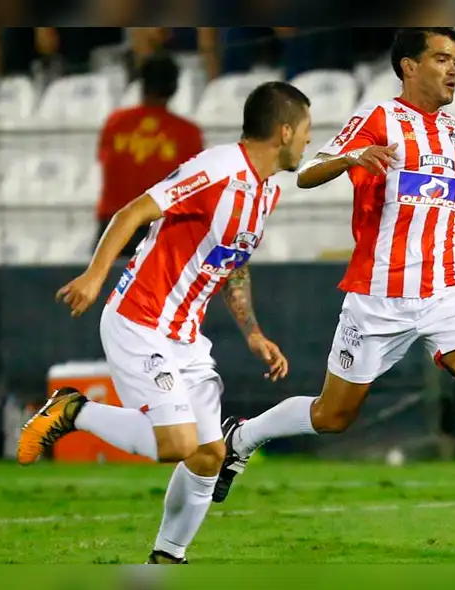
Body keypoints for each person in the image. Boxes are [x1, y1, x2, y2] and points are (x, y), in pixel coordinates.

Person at [212, 28, 455, 558]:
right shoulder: (378, 119)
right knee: (333, 416)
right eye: (441, 59)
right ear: (409, 66)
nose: (453, 69)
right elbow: (305, 174)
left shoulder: (454, 131)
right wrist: (353, 158)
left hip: (445, 290)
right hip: (378, 297)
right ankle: (242, 438)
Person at [16, 81, 313, 564]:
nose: (307, 142)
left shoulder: (264, 194)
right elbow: (133, 211)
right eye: (305, 131)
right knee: (177, 443)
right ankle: (73, 411)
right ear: (283, 131)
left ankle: (166, 558)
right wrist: (95, 275)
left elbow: (234, 262)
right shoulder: (216, 168)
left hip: (186, 335)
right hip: (140, 319)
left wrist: (253, 331)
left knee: (209, 456)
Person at [96, 52, 204, 258]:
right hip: (162, 230)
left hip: (114, 227)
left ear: (142, 83)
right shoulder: (188, 133)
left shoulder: (115, 123)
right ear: (174, 88)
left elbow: (105, 161)